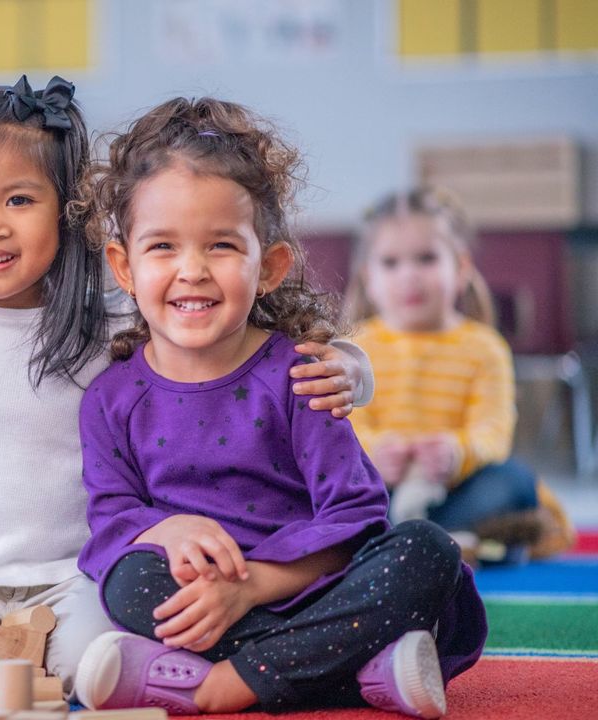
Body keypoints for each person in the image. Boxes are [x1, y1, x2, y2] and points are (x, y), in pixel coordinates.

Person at [0, 76, 372, 704]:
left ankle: (22, 660)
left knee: (96, 673)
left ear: (68, 215)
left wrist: (350, 367)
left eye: (18, 200)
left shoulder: (115, 312)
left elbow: (243, 332)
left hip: (83, 572)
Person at [70, 98, 486, 719]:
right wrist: (164, 529)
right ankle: (359, 672)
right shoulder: (109, 398)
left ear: (269, 266)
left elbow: (358, 516)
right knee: (130, 584)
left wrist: (255, 585)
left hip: (319, 590)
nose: (192, 271)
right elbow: (111, 520)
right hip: (211, 603)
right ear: (124, 267)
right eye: (162, 247)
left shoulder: (302, 377)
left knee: (429, 551)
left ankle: (222, 684)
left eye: (220, 246)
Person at [344, 187, 573, 563]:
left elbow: (493, 433)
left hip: (456, 490)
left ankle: (408, 543)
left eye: (427, 259)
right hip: (380, 488)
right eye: (391, 263)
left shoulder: (485, 347)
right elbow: (344, 428)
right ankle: (450, 544)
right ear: (369, 276)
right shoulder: (355, 346)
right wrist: (373, 454)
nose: (410, 276)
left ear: (461, 268)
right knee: (331, 491)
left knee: (514, 482)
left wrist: (456, 453)